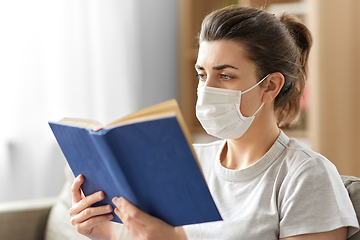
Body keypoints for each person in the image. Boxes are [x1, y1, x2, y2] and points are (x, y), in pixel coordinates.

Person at [68, 5, 359, 240]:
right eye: (202, 74)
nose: (207, 90)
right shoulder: (186, 160)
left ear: (270, 86)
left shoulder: (306, 176)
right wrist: (106, 234)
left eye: (226, 75)